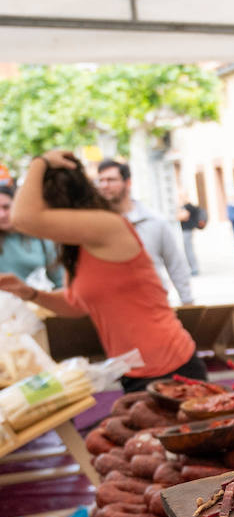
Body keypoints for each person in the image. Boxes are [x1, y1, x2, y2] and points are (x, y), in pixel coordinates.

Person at [0, 150, 207, 391]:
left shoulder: (107, 225)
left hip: (172, 366)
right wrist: (30, 293)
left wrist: (39, 161)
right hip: (132, 371)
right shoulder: (78, 246)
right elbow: (76, 304)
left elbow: (22, 218)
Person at [95, 159, 194, 305]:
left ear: (127, 183)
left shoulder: (155, 221)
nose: (104, 185)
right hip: (110, 309)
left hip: (152, 306)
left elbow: (175, 265)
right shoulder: (93, 225)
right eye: (101, 180)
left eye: (111, 180)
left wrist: (188, 302)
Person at [0, 184, 63, 288]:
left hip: (36, 300)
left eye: (6, 207)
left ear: (18, 205)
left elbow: (59, 279)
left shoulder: (41, 237)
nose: (1, 215)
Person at [174, 189, 206, 276]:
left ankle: (194, 268)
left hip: (187, 230)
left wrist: (178, 214)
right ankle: (192, 268)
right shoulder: (184, 206)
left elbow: (181, 216)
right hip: (185, 230)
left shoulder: (188, 206)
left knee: (188, 250)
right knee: (187, 249)